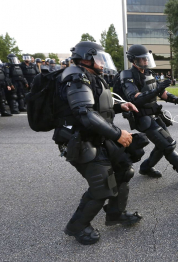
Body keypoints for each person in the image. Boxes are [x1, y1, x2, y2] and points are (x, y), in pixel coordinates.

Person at [51, 41, 142, 245]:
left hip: (98, 136)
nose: (102, 62)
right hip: (80, 140)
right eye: (99, 57)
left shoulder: (90, 76)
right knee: (102, 185)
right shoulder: (75, 77)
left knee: (123, 170)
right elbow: (85, 114)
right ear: (86, 58)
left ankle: (115, 213)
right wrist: (118, 134)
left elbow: (98, 106)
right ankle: (77, 226)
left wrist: (120, 106)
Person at [120, 44, 178, 180]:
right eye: (143, 59)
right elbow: (135, 98)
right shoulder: (127, 75)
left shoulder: (148, 73)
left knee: (163, 144)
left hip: (155, 115)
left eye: (147, 58)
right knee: (168, 144)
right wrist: (157, 90)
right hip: (142, 117)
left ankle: (146, 167)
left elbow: (163, 94)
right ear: (134, 60)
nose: (146, 61)